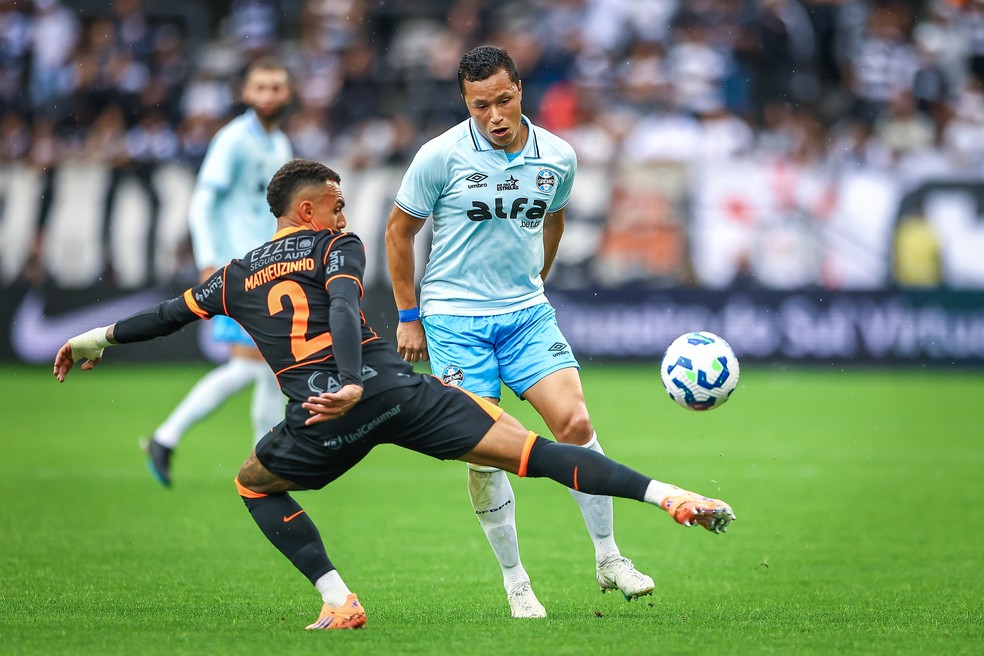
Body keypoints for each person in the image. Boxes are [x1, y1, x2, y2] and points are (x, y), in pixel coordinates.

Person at [53, 158, 736, 631]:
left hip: (324, 415)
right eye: (338, 204)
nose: (345, 213)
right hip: (395, 390)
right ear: (309, 209)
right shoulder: (334, 246)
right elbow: (347, 310)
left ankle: (338, 599)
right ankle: (670, 496)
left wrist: (98, 337)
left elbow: (167, 315)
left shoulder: (232, 277)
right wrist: (355, 376)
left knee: (255, 485)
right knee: (540, 452)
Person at [384, 45, 651, 618]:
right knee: (484, 452)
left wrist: (539, 280)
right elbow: (397, 233)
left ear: (521, 89)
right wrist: (408, 316)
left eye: (504, 100)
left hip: (526, 314)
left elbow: (553, 218)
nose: (495, 116)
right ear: (466, 102)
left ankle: (608, 558)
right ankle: (516, 581)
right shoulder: (440, 156)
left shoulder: (558, 155)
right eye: (481, 106)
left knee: (576, 423)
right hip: (455, 320)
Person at [142, 57, 294, 487]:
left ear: (288, 94)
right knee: (252, 366)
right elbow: (202, 203)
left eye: (275, 88)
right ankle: (168, 437)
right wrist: (208, 260)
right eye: (260, 88)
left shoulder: (279, 144)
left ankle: (266, 459)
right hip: (234, 270)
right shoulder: (233, 141)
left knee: (267, 366)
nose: (267, 96)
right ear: (246, 93)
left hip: (267, 272)